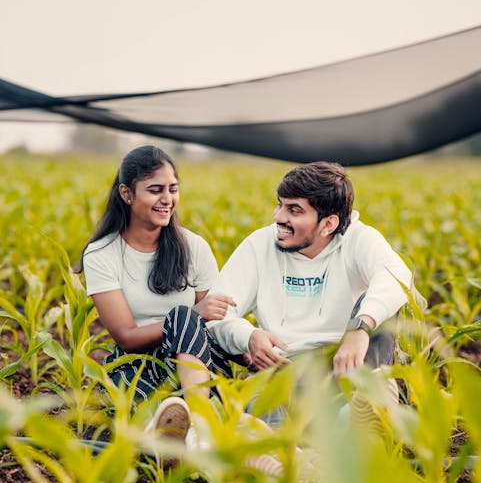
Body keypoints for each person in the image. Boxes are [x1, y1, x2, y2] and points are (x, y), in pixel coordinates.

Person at [207, 161, 413, 422]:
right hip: (283, 370)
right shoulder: (259, 245)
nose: (279, 217)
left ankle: (366, 404)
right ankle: (287, 453)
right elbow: (218, 313)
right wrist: (249, 336)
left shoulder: (359, 239)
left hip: (343, 369)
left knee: (379, 308)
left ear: (328, 224)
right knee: (263, 410)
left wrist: (359, 328)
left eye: (294, 210)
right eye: (280, 205)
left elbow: (397, 276)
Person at [79, 145, 235, 438]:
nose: (167, 199)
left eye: (173, 189)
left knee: (183, 319)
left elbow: (215, 322)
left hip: (199, 363)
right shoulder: (102, 253)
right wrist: (190, 315)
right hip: (140, 362)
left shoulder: (194, 247)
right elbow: (125, 336)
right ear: (127, 194)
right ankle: (190, 422)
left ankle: (197, 424)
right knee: (181, 318)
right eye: (155, 190)